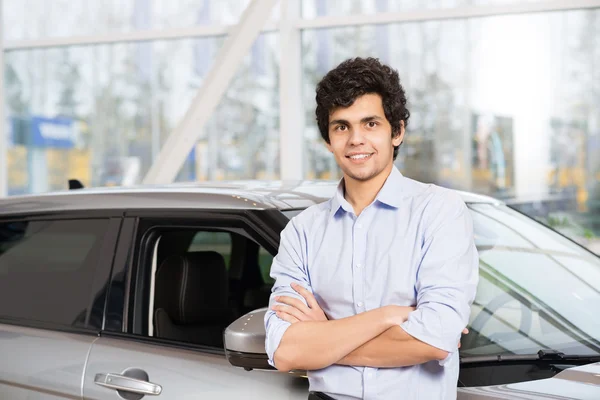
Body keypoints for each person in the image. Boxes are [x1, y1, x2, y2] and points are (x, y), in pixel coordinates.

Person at [264, 57, 479, 400]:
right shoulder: (302, 232)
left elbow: (435, 340)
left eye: (370, 123)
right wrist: (385, 318)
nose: (355, 139)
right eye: (341, 127)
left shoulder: (440, 212)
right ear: (328, 140)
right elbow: (286, 351)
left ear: (397, 131)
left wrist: (325, 337)